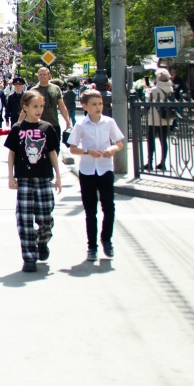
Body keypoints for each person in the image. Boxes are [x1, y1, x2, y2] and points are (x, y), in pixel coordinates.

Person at [4, 90, 62, 273]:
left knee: (46, 218)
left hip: (44, 178)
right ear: (25, 107)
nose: (39, 110)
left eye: (41, 106)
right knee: (24, 219)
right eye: (35, 106)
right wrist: (11, 176)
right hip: (24, 179)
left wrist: (58, 176)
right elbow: (12, 153)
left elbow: (52, 152)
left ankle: (42, 241)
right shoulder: (17, 129)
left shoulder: (47, 128)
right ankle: (29, 257)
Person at [68, 89, 124, 261]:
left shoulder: (109, 122)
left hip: (105, 168)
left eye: (100, 104)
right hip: (87, 171)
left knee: (109, 207)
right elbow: (73, 148)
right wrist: (87, 151)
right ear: (85, 106)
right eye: (94, 104)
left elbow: (119, 143)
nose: (98, 107)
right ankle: (92, 246)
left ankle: (107, 239)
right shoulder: (80, 125)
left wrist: (112, 149)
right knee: (90, 211)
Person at [145, 68, 174, 171]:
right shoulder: (171, 88)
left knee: (151, 141)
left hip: (154, 118)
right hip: (166, 119)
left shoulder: (155, 89)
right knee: (163, 141)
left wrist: (147, 90)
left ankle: (150, 162)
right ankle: (163, 163)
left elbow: (147, 100)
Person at [31, 66, 72, 133]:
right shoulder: (33, 90)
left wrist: (68, 122)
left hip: (54, 124)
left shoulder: (56, 89)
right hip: (37, 125)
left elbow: (62, 106)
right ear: (38, 76)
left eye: (44, 74)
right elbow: (27, 109)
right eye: (40, 74)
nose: (42, 76)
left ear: (49, 76)